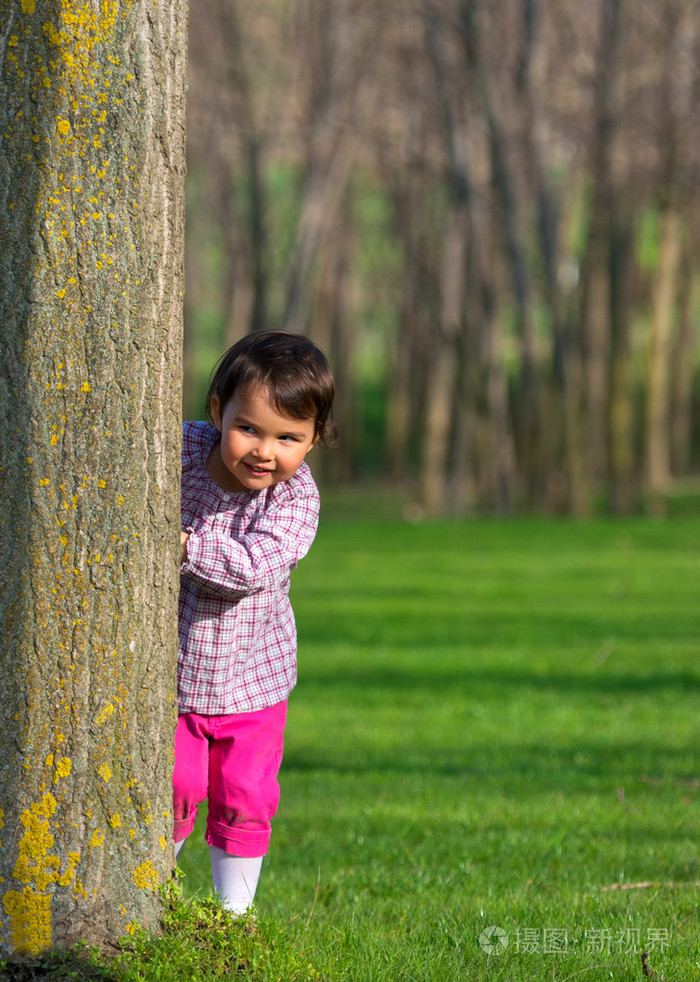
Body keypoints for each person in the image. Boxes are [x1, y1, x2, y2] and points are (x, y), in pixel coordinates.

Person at [173, 330, 336, 914]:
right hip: (172, 680)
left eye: (288, 437)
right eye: (249, 428)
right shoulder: (181, 451)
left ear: (314, 438)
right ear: (218, 411)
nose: (265, 451)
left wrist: (183, 547)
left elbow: (251, 566)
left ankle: (234, 914)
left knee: (246, 795)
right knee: (171, 785)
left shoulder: (295, 500)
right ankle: (148, 895)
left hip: (252, 682)